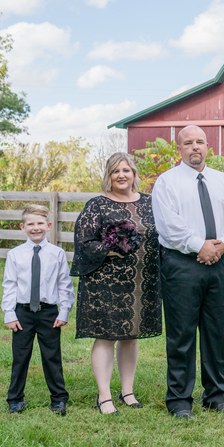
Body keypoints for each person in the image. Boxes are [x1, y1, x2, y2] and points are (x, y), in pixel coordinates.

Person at [152, 125, 224, 419]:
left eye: (200, 142)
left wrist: (223, 244)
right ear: (179, 149)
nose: (195, 147)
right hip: (181, 264)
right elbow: (168, 224)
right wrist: (198, 245)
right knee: (182, 333)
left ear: (208, 146)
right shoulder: (167, 183)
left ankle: (216, 396)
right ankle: (179, 399)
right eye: (188, 143)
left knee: (216, 331)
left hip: (219, 261)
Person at [71, 153, 162, 415]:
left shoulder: (151, 203)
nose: (121, 175)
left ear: (134, 173)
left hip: (142, 281)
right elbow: (84, 241)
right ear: (108, 176)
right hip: (106, 282)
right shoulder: (97, 205)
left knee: (131, 337)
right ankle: (104, 395)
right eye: (115, 171)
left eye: (126, 170)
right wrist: (112, 249)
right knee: (106, 336)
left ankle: (128, 391)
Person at [2, 204, 74, 416]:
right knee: (20, 357)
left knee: (52, 356)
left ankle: (58, 399)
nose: (36, 228)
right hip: (22, 313)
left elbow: (64, 284)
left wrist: (64, 311)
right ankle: (15, 400)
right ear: (22, 227)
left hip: (48, 313)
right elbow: (10, 285)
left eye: (40, 223)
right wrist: (9, 313)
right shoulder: (14, 255)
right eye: (30, 224)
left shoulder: (57, 254)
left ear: (48, 226)